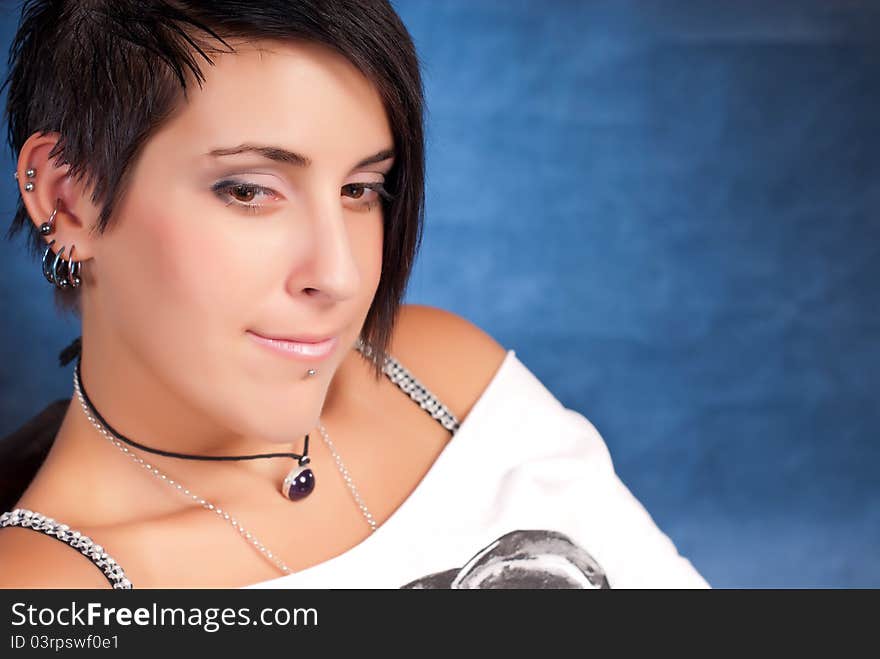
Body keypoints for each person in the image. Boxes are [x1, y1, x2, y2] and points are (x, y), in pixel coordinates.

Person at [0, 0, 709, 589]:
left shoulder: (439, 373)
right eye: (249, 190)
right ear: (69, 199)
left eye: (360, 190)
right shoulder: (46, 591)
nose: (339, 275)